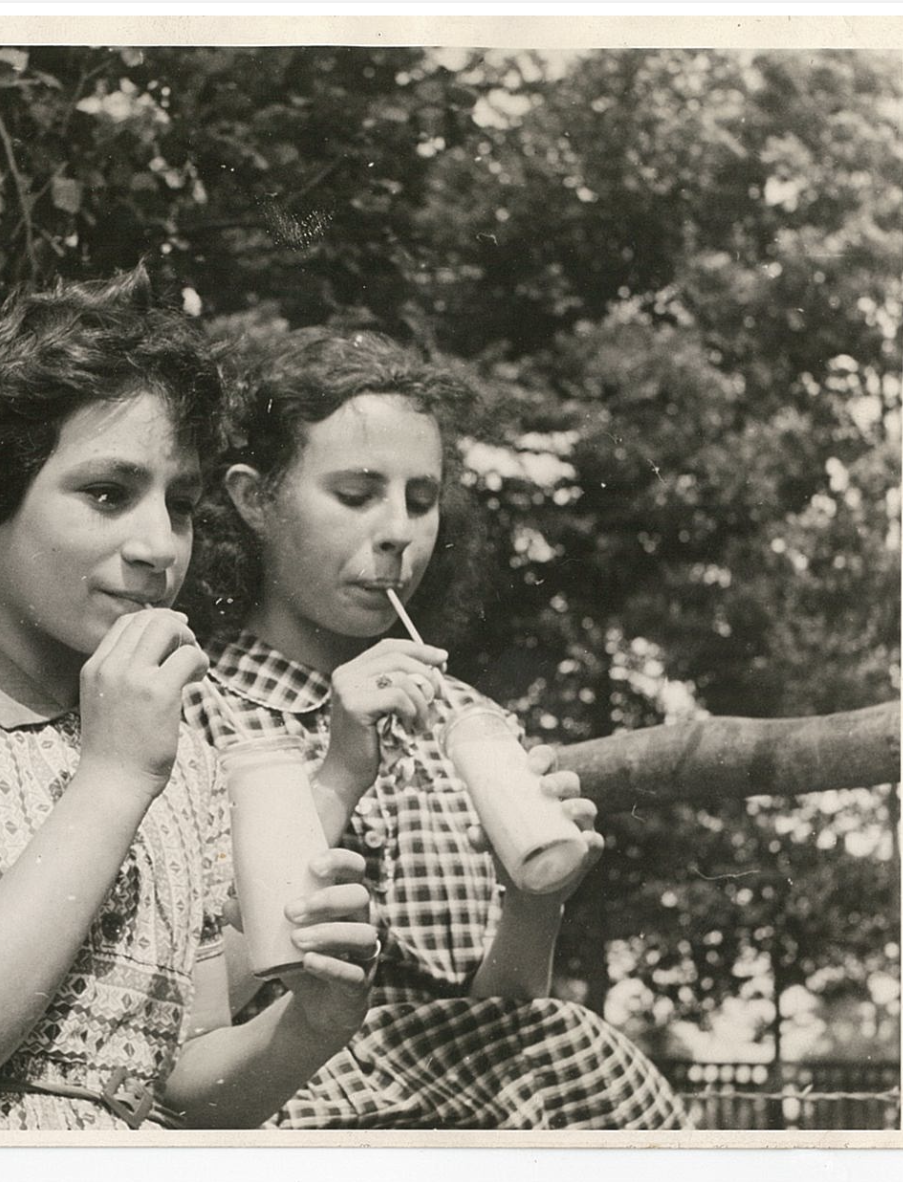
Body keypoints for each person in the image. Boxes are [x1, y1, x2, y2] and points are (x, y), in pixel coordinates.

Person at [0, 269, 379, 1131]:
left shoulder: (176, 755)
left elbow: (171, 1078)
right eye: (108, 494)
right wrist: (111, 778)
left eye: (180, 505)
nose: (158, 545)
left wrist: (309, 1028)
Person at [181, 327, 689, 1130]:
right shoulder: (195, 712)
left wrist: (535, 902)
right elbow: (190, 1006)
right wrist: (339, 775)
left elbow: (504, 1016)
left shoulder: (469, 722)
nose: (400, 531)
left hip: (497, 1103)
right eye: (356, 495)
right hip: (296, 1099)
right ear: (253, 500)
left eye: (421, 500)